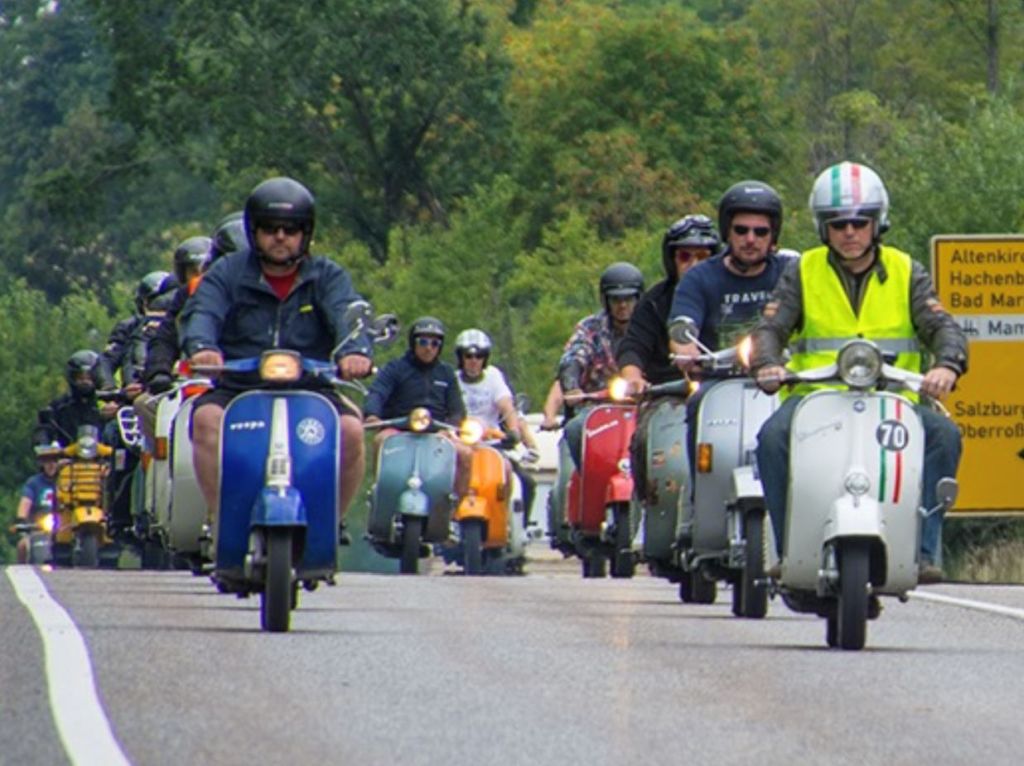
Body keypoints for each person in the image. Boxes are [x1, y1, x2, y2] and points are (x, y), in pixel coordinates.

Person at [750, 161, 968, 584]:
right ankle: (786, 546)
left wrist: (947, 364)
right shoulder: (802, 271)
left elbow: (942, 325)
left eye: (859, 222)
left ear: (877, 222)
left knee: (944, 434)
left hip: (892, 402)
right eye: (838, 223)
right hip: (816, 400)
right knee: (772, 439)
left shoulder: (907, 272)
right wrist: (766, 364)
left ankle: (924, 549)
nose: (849, 232)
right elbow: (770, 327)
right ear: (822, 227)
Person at [180, 177, 374, 532]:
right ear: (254, 232)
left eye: (291, 229)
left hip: (311, 386)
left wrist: (355, 352)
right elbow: (202, 312)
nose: (281, 237)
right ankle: (223, 521)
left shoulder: (326, 275)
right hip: (239, 385)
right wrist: (203, 347)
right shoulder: (227, 272)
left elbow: (349, 312)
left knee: (351, 428)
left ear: (306, 233)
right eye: (270, 229)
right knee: (206, 421)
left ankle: (331, 523)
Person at [666, 181, 794, 478]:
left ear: (773, 235)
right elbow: (681, 324)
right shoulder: (699, 277)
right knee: (698, 402)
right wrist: (686, 350)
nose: (751, 239)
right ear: (727, 231)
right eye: (741, 230)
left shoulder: (791, 271)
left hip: (782, 380)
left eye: (761, 232)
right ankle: (697, 496)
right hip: (719, 383)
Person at [618, 214, 720, 501]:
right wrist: (633, 377)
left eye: (703, 256)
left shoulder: (727, 294)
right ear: (671, 260)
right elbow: (633, 346)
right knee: (642, 439)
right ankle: (645, 505)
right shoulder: (654, 302)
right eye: (685, 257)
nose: (694, 265)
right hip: (669, 394)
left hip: (723, 390)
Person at [363, 317, 472, 495]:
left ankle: (455, 509)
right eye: (423, 341)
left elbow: (457, 409)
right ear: (413, 342)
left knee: (465, 454)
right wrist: (372, 414)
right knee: (380, 441)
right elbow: (377, 392)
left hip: (437, 432)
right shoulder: (395, 368)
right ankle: (380, 492)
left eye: (435, 343)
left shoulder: (446, 374)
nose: (429, 347)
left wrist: (451, 429)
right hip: (399, 429)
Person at [558, 262, 644, 470]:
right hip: (598, 410)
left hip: (644, 408)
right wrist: (571, 385)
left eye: (629, 298)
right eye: (616, 299)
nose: (623, 305)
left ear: (639, 298)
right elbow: (573, 355)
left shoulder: (650, 326)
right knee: (576, 428)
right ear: (606, 300)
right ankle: (588, 482)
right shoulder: (590, 327)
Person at [453, 328, 540, 523]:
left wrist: (514, 432)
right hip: (460, 445)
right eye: (468, 356)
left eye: (479, 356)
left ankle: (510, 522)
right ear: (461, 357)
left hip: (492, 444)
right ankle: (446, 522)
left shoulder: (493, 376)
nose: (474, 361)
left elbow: (506, 406)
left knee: (525, 481)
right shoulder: (452, 380)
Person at [35, 350, 115, 447]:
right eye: (80, 378)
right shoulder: (59, 406)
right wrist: (43, 441)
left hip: (104, 458)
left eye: (89, 378)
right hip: (66, 458)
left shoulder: (108, 405)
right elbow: (44, 428)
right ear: (71, 378)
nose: (85, 382)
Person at [13, 444, 61, 564]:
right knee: (23, 546)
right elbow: (25, 502)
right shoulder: (34, 483)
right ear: (42, 464)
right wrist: (21, 520)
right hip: (38, 528)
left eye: (55, 460)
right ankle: (24, 574)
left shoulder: (66, 481)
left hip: (64, 529)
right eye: (47, 461)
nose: (51, 464)